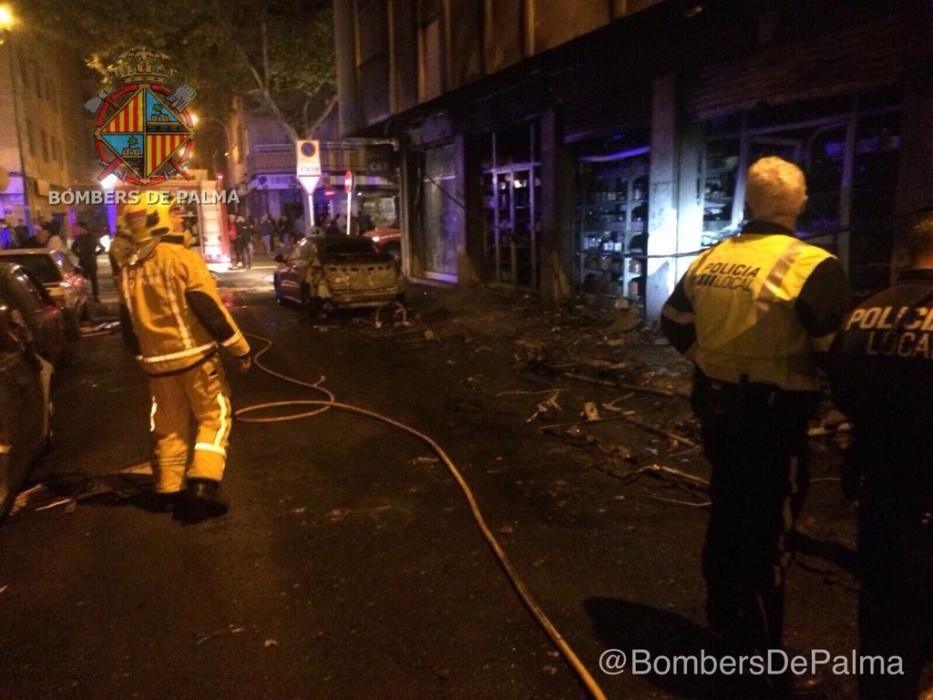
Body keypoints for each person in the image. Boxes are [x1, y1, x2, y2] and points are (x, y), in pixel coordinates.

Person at [660, 156, 849, 696]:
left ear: (748, 203)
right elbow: (837, 352)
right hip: (775, 423)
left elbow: (672, 322)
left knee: (725, 508)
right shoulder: (814, 264)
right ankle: (760, 658)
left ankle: (720, 617)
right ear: (799, 203)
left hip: (718, 412)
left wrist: (706, 361)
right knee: (769, 530)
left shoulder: (713, 257)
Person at [829, 210, 933, 700]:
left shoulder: (863, 312)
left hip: (880, 493)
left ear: (902, 256)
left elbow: (843, 395)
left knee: (882, 619)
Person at [117, 197, 251, 521]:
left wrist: (142, 356)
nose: (179, 217)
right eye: (173, 212)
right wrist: (240, 348)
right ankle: (204, 486)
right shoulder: (181, 258)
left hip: (157, 367)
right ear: (158, 218)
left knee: (168, 426)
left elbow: (127, 322)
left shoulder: (129, 269)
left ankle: (168, 489)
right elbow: (209, 309)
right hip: (195, 361)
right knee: (213, 418)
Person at [71, 222, 105, 301]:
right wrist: (79, 255)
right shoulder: (78, 238)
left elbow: (102, 248)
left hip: (91, 261)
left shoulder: (92, 237)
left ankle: (95, 295)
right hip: (83, 261)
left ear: (84, 228)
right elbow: (73, 248)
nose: (78, 230)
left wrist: (95, 254)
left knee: (93, 279)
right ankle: (84, 295)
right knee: (82, 279)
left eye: (79, 228)